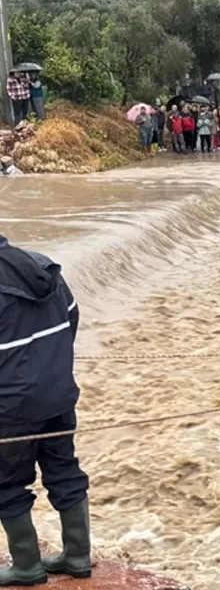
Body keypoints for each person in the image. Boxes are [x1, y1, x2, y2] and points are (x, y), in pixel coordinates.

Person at [0, 234, 93, 585]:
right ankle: (78, 556)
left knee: (6, 484)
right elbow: (71, 320)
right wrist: (49, 368)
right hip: (57, 393)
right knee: (64, 469)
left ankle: (26, 565)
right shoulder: (43, 265)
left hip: (9, 408)